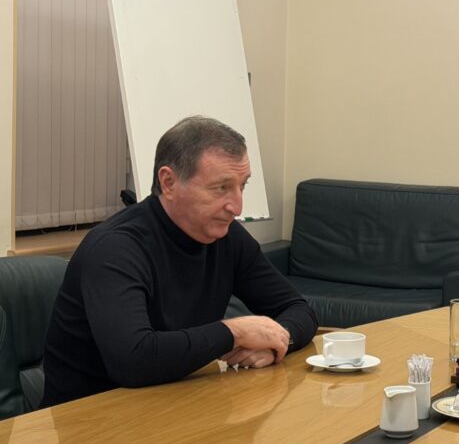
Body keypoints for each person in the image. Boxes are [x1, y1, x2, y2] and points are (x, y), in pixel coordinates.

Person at [41, 116, 317, 407]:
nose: (237, 207)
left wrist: (276, 343)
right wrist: (235, 333)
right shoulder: (116, 248)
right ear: (169, 182)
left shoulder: (226, 237)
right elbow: (133, 360)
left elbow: (299, 310)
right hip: (93, 418)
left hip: (175, 401)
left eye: (242, 186)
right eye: (221, 188)